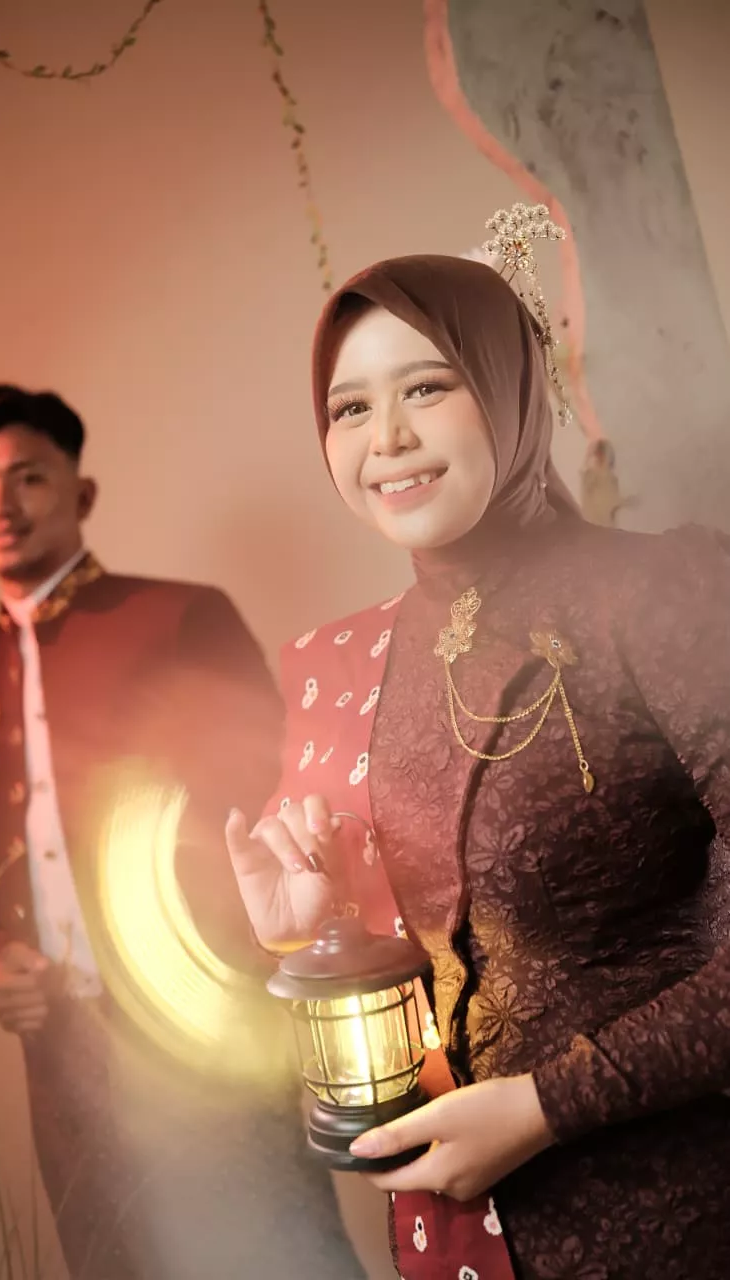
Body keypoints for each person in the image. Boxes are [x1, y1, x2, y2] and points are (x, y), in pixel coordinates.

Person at [226, 254, 730, 1280]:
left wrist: (549, 1104)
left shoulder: (660, 594)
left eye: (424, 387)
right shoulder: (341, 663)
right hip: (461, 1237)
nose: (386, 439)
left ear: (509, 387)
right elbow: (415, 982)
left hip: (678, 1217)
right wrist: (316, 925)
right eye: (349, 408)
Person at [0, 384, 364, 1279]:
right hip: (61, 1048)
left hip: (193, 1023)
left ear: (81, 492)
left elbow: (271, 794)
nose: (0, 503)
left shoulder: (176, 619)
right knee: (113, 1259)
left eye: (28, 477)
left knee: (276, 1253)